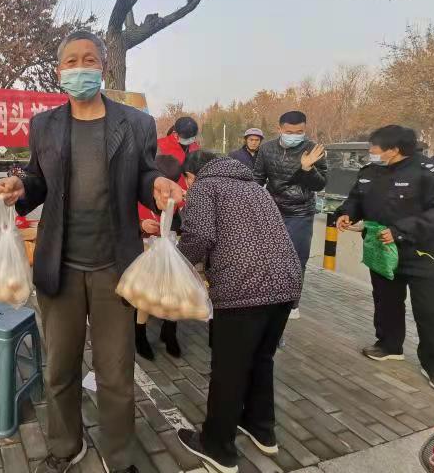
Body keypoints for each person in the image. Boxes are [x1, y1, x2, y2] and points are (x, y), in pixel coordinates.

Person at [0, 30, 182, 473]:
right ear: (59, 71)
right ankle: (66, 446)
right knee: (60, 370)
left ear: (103, 68)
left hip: (115, 267)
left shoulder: (135, 124)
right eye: (71, 61)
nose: (81, 68)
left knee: (115, 375)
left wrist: (156, 184)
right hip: (59, 265)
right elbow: (38, 180)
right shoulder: (44, 125)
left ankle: (119, 456)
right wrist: (20, 187)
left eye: (89, 60)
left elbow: (145, 174)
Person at [175, 151, 302, 473]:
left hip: (243, 289)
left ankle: (217, 446)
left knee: (229, 369)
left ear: (191, 175)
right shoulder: (254, 187)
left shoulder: (205, 186)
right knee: (261, 359)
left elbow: (199, 236)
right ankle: (261, 428)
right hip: (286, 283)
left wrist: (175, 264)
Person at [334, 125, 434, 392]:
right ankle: (389, 345)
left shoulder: (432, 173)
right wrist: (346, 213)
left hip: (422, 253)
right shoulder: (369, 172)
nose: (371, 151)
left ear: (394, 150)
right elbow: (356, 199)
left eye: (375, 147)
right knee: (386, 301)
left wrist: (399, 231)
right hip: (381, 250)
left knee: (431, 310)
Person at [254, 111, 326, 319]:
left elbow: (320, 184)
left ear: (305, 129)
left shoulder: (314, 149)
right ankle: (268, 296)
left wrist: (307, 168)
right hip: (272, 209)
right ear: (280, 129)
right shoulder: (267, 148)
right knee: (268, 256)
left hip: (300, 212)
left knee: (296, 257)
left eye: (299, 132)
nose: (294, 136)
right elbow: (257, 178)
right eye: (289, 132)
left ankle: (292, 303)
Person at [136, 153, 183, 360]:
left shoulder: (177, 197)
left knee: (173, 291)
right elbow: (120, 221)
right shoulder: (138, 195)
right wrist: (141, 225)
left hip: (169, 251)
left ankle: (170, 330)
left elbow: (179, 224)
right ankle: (139, 333)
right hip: (144, 252)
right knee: (145, 295)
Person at [158, 116, 200, 191]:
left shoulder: (196, 148)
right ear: (175, 134)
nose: (190, 141)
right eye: (187, 138)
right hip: (168, 192)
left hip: (190, 193)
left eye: (193, 137)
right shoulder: (159, 146)